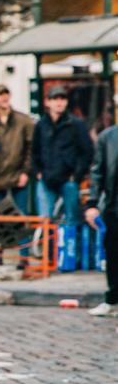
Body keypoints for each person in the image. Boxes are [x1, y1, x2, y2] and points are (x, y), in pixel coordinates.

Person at [32, 86, 91, 225]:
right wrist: (38, 172)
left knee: (72, 219)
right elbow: (35, 150)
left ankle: (70, 247)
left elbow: (87, 151)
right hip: (46, 179)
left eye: (62, 98)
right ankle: (50, 247)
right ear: (48, 102)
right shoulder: (41, 125)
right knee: (45, 220)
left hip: (68, 179)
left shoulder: (76, 124)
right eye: (55, 99)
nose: (59, 102)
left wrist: (76, 175)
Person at [84, 122, 118, 318]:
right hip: (114, 205)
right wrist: (92, 203)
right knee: (113, 253)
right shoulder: (108, 136)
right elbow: (97, 172)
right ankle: (112, 299)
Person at [0, 83, 35, 211]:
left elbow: (31, 147)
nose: (4, 98)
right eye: (0, 95)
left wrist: (26, 172)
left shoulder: (24, 120)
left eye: (6, 94)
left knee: (21, 216)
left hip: (18, 175)